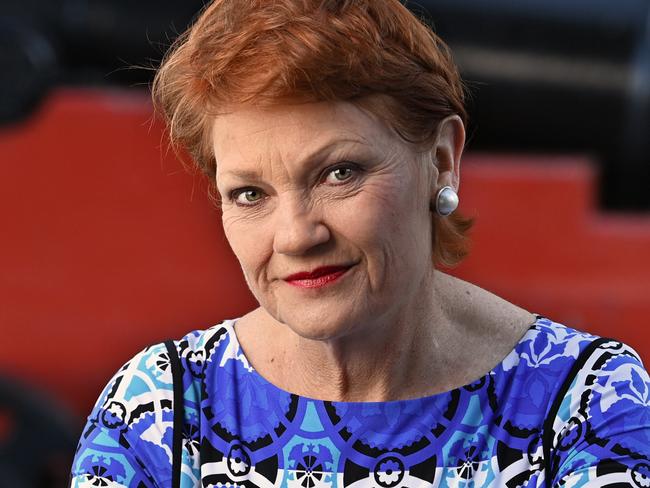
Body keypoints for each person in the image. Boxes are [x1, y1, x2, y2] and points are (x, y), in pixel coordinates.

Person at [70, 1, 650, 487]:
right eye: (250, 194)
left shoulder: (588, 402)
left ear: (441, 160)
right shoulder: (159, 409)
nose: (297, 235)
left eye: (338, 173)